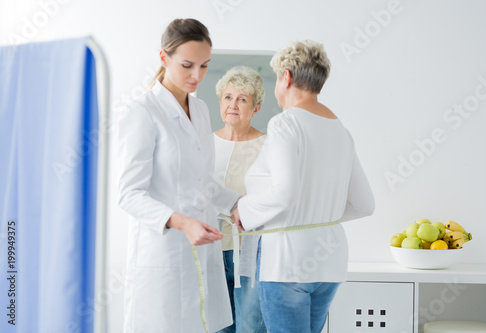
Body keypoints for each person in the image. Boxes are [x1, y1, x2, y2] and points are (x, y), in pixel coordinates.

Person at [234, 40, 375, 333]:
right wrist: (316, 215)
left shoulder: (286, 124)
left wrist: (243, 211)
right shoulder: (341, 131)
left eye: (276, 79)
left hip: (288, 264)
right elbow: (364, 204)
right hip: (330, 261)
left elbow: (286, 193)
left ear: (286, 77)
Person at [117, 18, 240, 333]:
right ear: (163, 58)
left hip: (201, 251)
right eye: (187, 65)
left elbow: (202, 183)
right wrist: (182, 222)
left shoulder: (200, 110)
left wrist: (236, 205)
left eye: (204, 66)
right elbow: (129, 194)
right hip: (164, 254)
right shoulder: (143, 112)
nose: (196, 76)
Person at [213, 66, 267, 333]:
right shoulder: (204, 144)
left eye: (242, 99)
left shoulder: (268, 146)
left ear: (255, 108)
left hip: (252, 251)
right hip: (211, 249)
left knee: (250, 325)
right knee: (218, 325)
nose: (233, 105)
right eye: (228, 97)